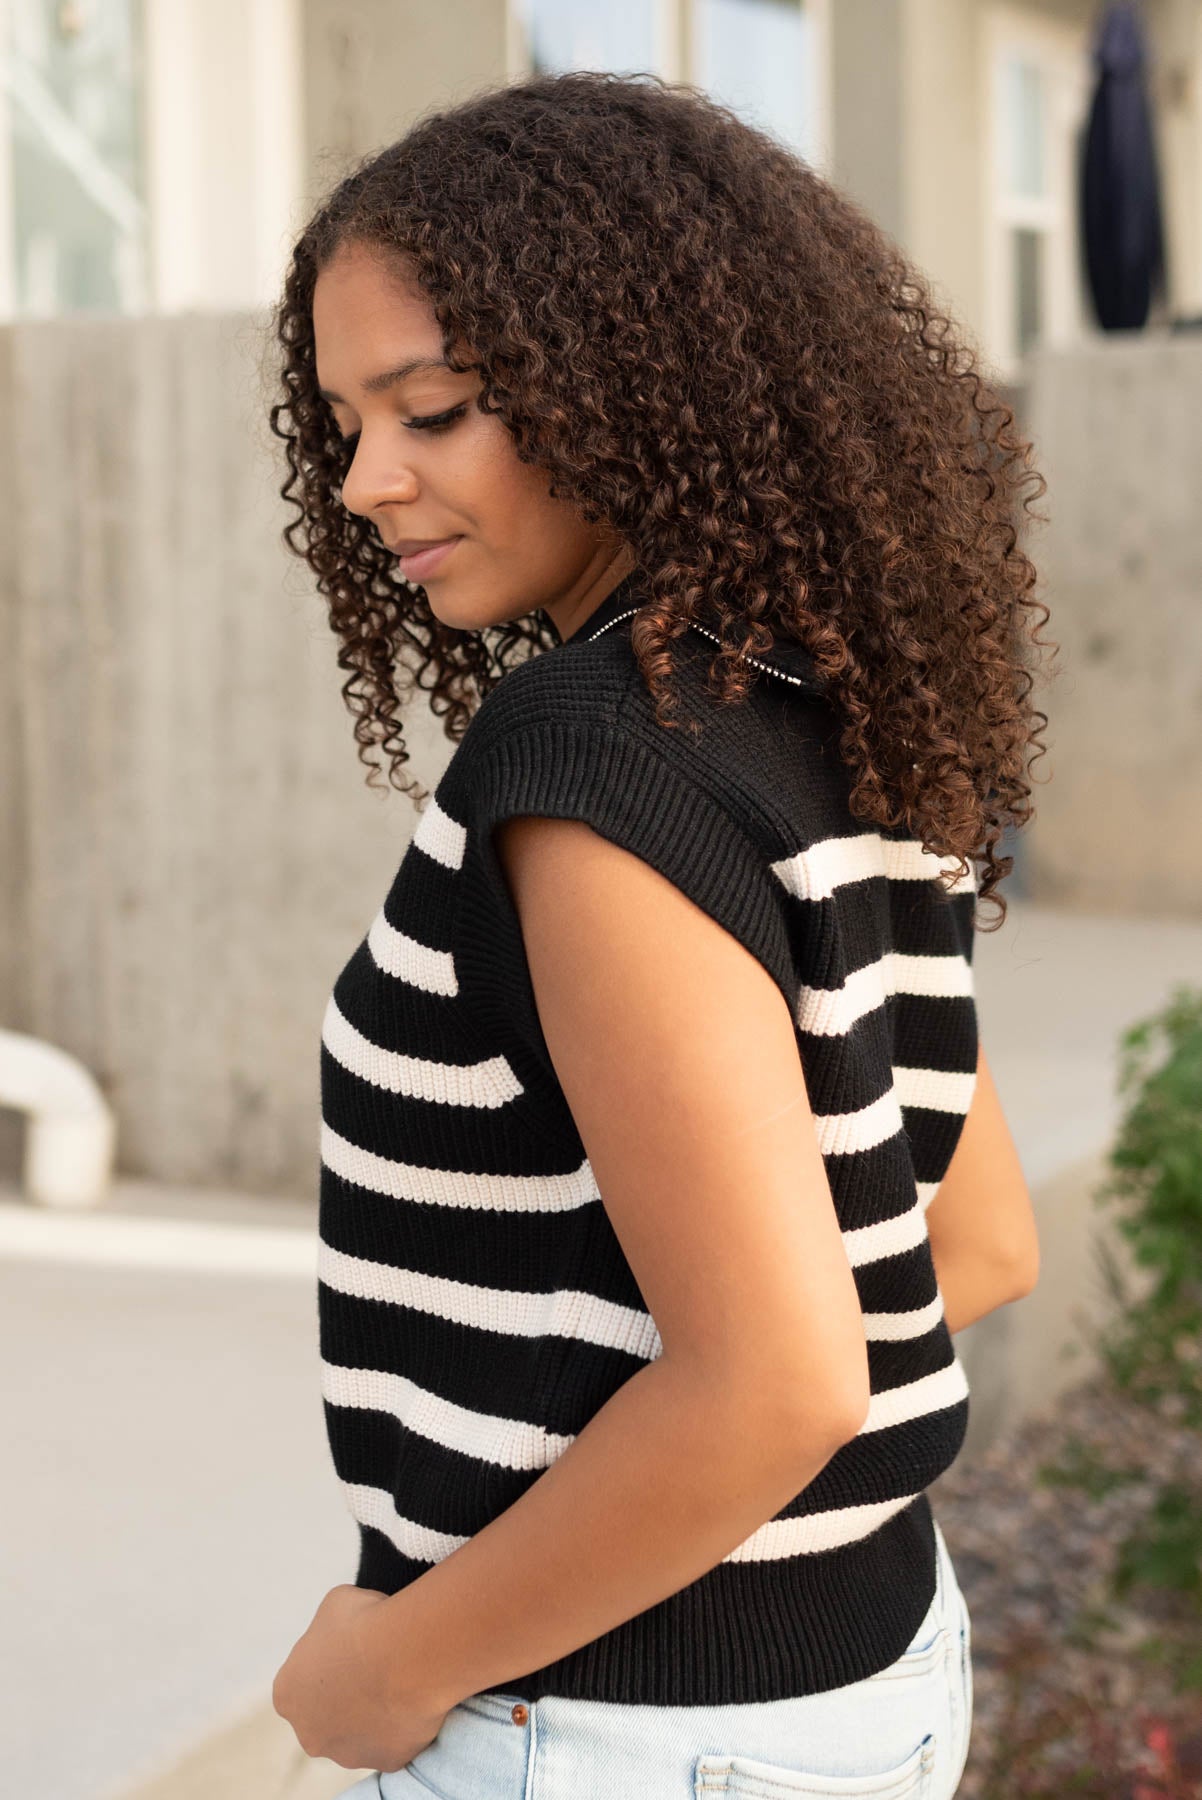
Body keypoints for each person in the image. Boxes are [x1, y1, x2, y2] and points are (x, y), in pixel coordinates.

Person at [267, 69, 1047, 1800]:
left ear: (625, 380)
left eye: (435, 409)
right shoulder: (834, 709)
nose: (370, 480)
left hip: (618, 1722)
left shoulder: (592, 759)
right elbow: (970, 1237)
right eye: (341, 424)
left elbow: (776, 1380)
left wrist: (396, 1665)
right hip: (857, 1671)